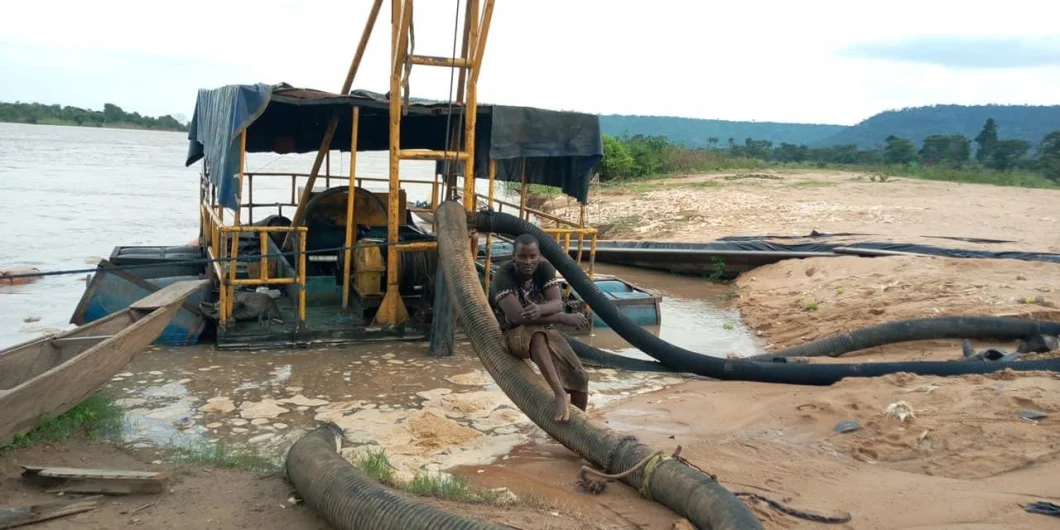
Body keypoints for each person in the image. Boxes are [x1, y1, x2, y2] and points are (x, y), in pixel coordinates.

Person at [490, 233, 591, 423]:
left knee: (580, 377)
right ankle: (559, 393)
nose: (528, 261)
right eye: (522, 256)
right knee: (534, 333)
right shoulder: (503, 276)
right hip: (513, 334)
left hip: (543, 327)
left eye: (532, 256)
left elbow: (556, 303)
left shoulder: (544, 269)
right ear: (514, 257)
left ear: (539, 256)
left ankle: (579, 426)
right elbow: (518, 317)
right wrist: (562, 318)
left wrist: (541, 309)